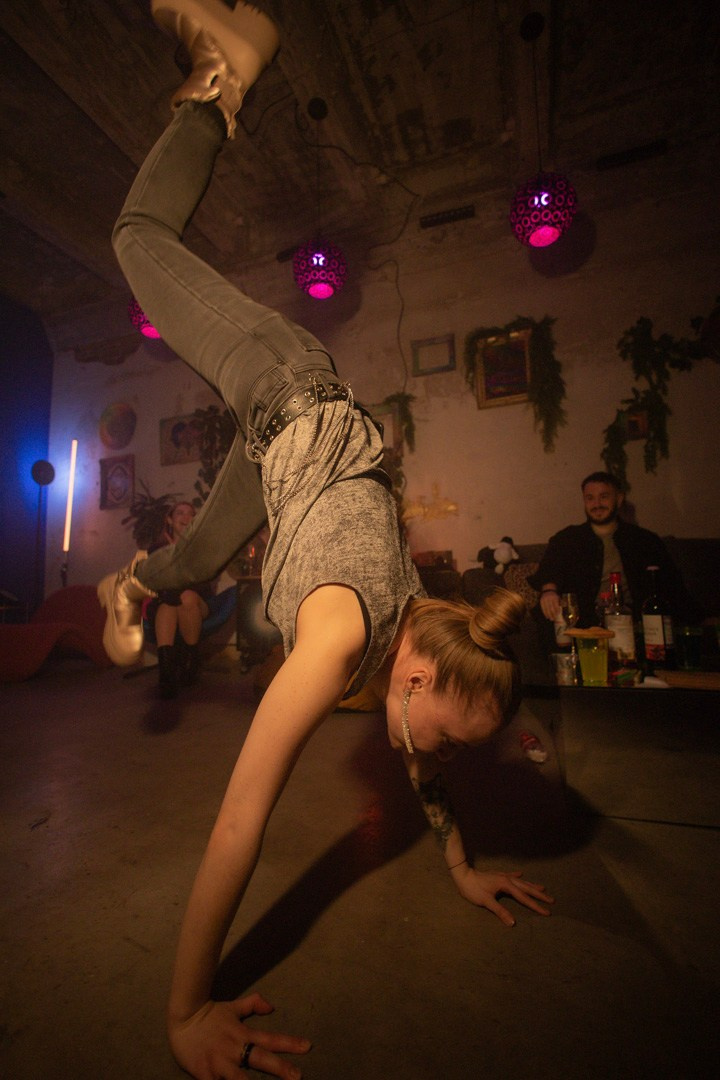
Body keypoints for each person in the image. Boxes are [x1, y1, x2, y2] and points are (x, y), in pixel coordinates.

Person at [97, 2, 554, 1076]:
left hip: (283, 453)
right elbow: (237, 824)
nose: (431, 757)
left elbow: (425, 764)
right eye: (442, 736)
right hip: (283, 385)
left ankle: (132, 586)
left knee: (195, 561)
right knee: (134, 239)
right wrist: (185, 1011)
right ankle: (223, 85)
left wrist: (461, 866)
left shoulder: (422, 640)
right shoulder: (347, 635)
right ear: (415, 677)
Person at [528, 470, 698, 628]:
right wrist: (549, 591)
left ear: (619, 499)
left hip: (634, 619)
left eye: (604, 497)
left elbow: (672, 585)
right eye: (590, 498)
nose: (597, 504)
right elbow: (550, 569)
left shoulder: (644, 540)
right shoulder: (567, 539)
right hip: (584, 620)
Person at [144, 500, 213, 698]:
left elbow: (201, 581)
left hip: (197, 601)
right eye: (180, 513)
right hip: (166, 601)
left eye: (190, 514)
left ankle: (190, 663)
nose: (185, 517)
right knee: (169, 604)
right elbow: (156, 580)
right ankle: (167, 674)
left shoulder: (200, 547)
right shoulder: (157, 548)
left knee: (187, 596)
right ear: (169, 520)